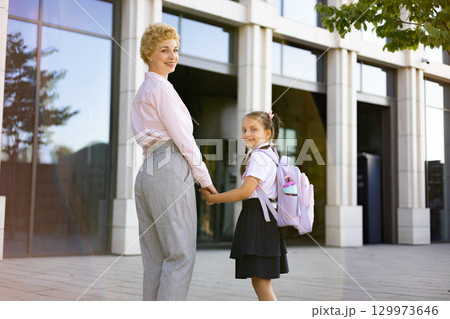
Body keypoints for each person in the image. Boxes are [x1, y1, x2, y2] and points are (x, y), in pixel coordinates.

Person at [131, 23, 217, 301]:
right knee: (180, 255)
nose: (172, 55)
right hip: (169, 166)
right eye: (164, 50)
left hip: (147, 171)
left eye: (175, 50)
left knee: (155, 260)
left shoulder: (143, 90)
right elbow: (184, 141)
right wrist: (206, 180)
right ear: (149, 53)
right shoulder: (162, 89)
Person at [200, 111, 288, 301]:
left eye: (253, 129)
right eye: (244, 130)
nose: (247, 134)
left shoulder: (259, 157)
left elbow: (245, 192)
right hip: (262, 218)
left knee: (261, 282)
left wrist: (214, 199)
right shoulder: (269, 154)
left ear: (268, 133)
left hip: (259, 219)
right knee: (260, 280)